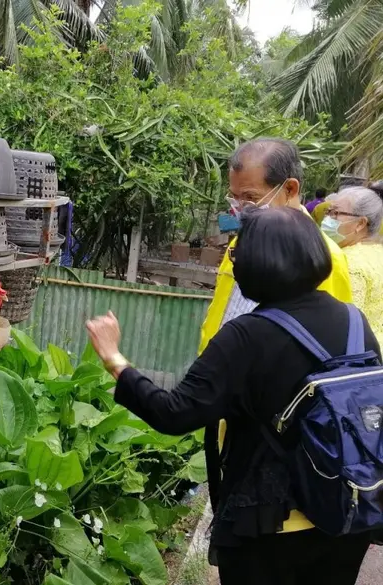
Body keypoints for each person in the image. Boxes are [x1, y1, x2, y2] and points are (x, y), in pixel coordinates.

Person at [86, 207, 379, 585]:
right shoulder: (354, 320)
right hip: (345, 511)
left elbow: (174, 413)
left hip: (271, 526)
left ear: (255, 264)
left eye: (236, 253)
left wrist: (114, 358)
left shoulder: (246, 336)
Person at [201, 138, 352, 519]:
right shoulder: (244, 241)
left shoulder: (322, 256)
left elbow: (328, 357)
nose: (240, 208)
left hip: (280, 432)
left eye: (250, 198)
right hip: (236, 416)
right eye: (235, 197)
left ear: (290, 189)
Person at [321, 184, 383, 342]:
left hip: (359, 349)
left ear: (360, 223)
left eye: (335, 213)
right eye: (328, 212)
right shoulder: (378, 251)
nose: (327, 219)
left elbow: (345, 324)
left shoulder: (346, 261)